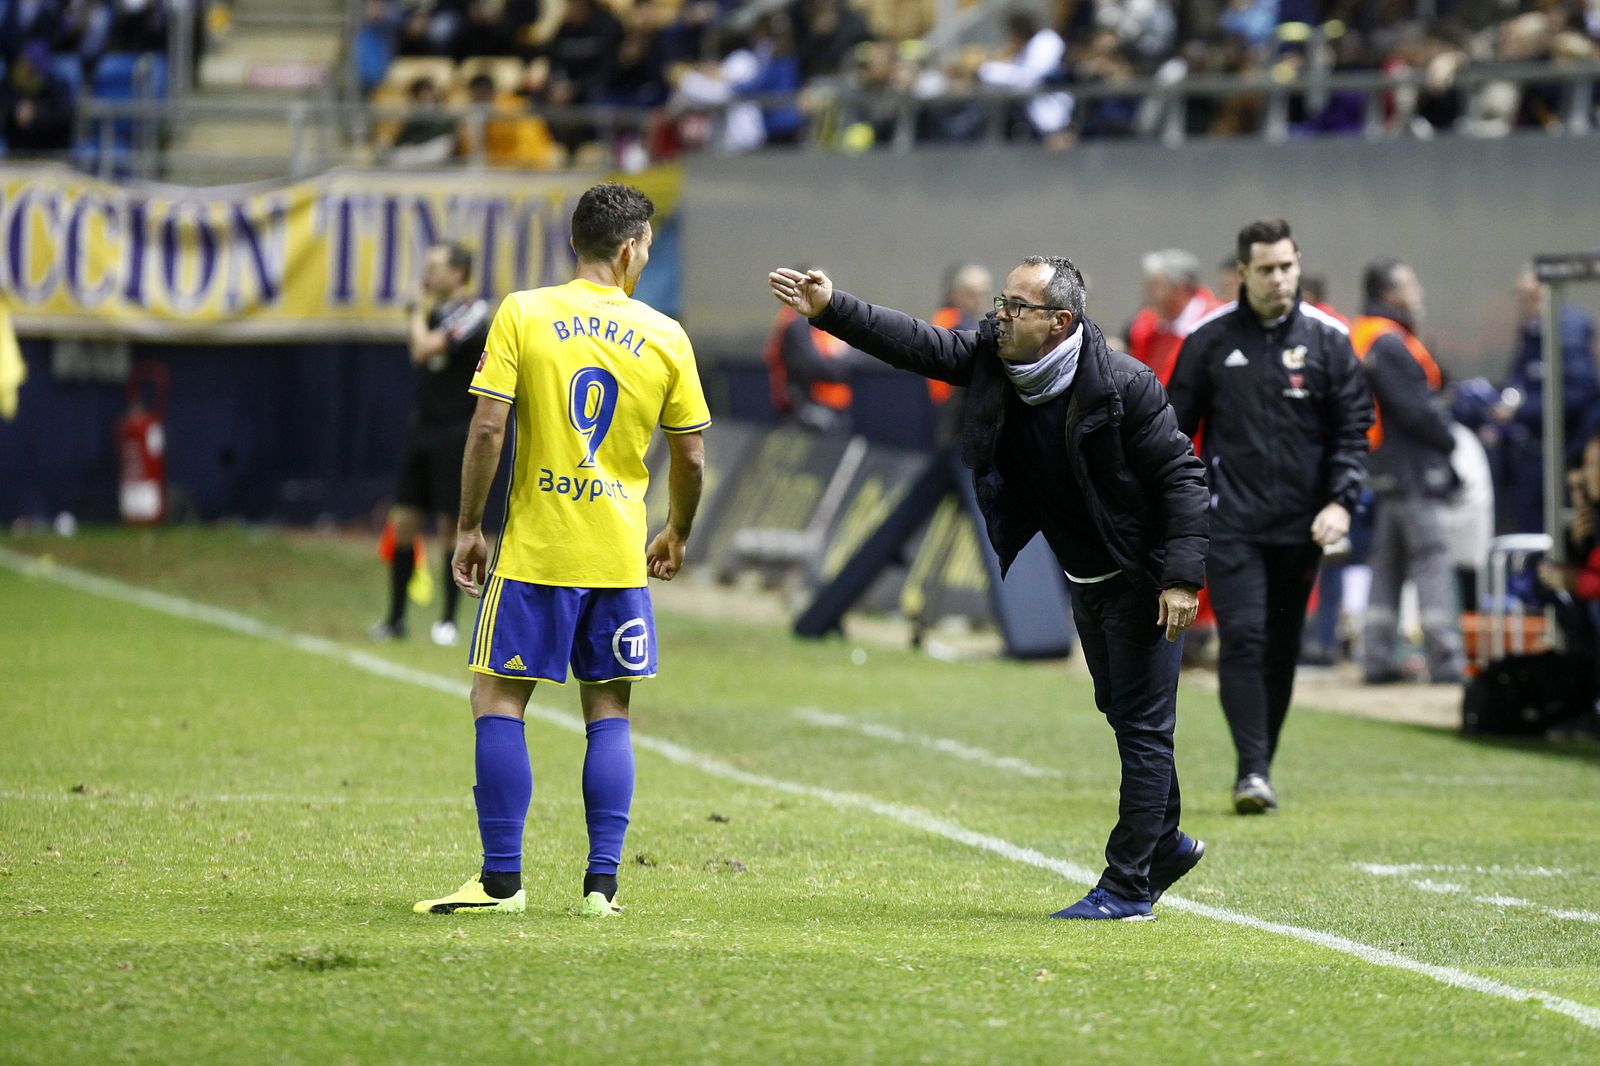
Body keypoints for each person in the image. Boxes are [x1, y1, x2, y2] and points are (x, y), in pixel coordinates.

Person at [769, 255, 1209, 921]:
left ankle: (1127, 887)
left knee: (1145, 726)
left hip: (1142, 575)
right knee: (1124, 713)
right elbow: (918, 343)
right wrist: (832, 307)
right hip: (1087, 573)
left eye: (1015, 307)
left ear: (1060, 322)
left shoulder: (1123, 383)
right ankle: (1165, 842)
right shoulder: (996, 359)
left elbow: (1182, 475)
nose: (998, 316)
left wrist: (1179, 577)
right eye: (1001, 303)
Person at [414, 183, 709, 918]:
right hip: (616, 555)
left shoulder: (523, 312)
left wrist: (467, 526)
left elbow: (487, 430)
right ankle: (601, 890)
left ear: (576, 243)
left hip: (538, 552)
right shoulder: (666, 333)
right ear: (632, 247)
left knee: (498, 699)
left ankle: (501, 883)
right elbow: (693, 458)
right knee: (608, 712)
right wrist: (676, 530)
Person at [1167, 218, 1372, 815]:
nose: (1279, 278)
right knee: (1246, 636)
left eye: (1287, 266)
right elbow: (1174, 432)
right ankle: (1252, 772)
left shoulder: (1331, 340)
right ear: (1242, 273)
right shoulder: (1208, 341)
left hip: (1303, 525)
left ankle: (1259, 765)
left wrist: (1340, 501)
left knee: (1282, 646)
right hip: (1230, 521)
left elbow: (1353, 430)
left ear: (1298, 264)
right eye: (1266, 269)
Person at [1351, 258, 1467, 685]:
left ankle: (1377, 657)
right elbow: (1415, 409)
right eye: (1411, 285)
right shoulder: (1388, 341)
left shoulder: (1365, 335)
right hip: (1413, 469)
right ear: (1390, 293)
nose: (1418, 293)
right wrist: (1450, 438)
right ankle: (1447, 661)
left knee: (1388, 565)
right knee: (1433, 561)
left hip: (1383, 467)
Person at [371, 242, 492, 647]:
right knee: (404, 521)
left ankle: (448, 621)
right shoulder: (432, 313)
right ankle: (395, 618)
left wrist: (417, 310)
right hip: (421, 428)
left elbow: (424, 348)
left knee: (449, 526)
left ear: (459, 274)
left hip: (457, 432)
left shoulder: (473, 311)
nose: (428, 274)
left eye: (436, 267)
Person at [1491, 267, 1600, 534]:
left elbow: (1576, 395)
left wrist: (1520, 412)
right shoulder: (1534, 332)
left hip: (1564, 454)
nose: (1525, 304)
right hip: (1538, 454)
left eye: (1530, 296)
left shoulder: (1566, 332)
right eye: (1521, 297)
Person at [1127, 249, 1220, 387]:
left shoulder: (1215, 324)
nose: (1147, 293)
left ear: (1180, 288)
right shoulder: (1147, 324)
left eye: (1155, 286)